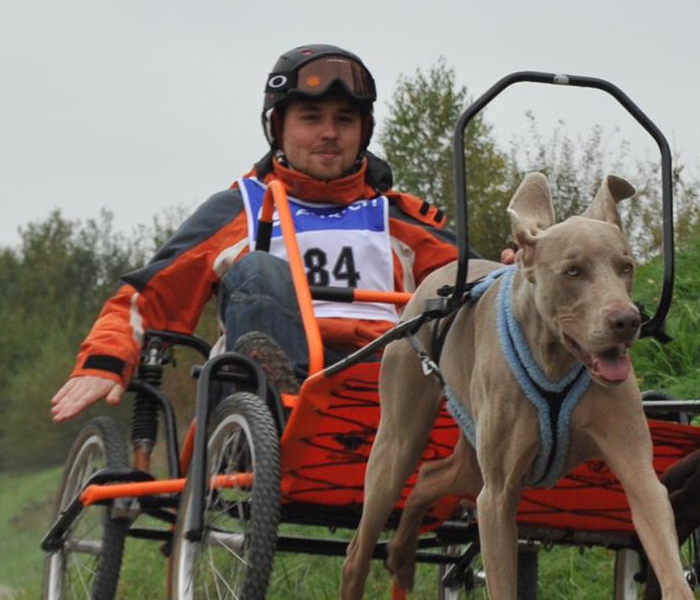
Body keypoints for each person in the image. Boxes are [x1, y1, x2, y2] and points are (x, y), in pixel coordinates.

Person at [50, 44, 462, 423]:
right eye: (311, 118)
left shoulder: (400, 219)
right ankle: (285, 408)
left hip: (388, 385)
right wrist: (104, 361)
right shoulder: (238, 211)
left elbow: (476, 286)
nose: (329, 133)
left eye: (344, 119)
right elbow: (151, 296)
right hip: (260, 394)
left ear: (363, 131)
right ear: (278, 128)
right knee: (259, 269)